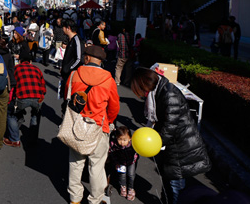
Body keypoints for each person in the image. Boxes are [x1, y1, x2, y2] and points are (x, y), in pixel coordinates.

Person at [131, 67, 211, 204]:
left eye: (139, 89)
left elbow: (170, 127)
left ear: (145, 84)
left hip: (181, 146)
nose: (141, 94)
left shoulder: (169, 94)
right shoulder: (160, 91)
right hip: (174, 145)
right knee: (169, 183)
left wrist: (156, 144)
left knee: (175, 187)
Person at [67, 45, 120, 204]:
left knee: (76, 164)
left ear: (87, 58)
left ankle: (75, 199)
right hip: (99, 127)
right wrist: (108, 121)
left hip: (77, 127)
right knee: (97, 167)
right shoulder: (109, 80)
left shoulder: (74, 75)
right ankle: (95, 200)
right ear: (101, 61)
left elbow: (67, 98)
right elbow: (114, 107)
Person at [4, 50, 46, 147]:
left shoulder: (16, 68)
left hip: (22, 97)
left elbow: (11, 85)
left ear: (20, 61)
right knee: (35, 115)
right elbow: (43, 88)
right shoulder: (37, 69)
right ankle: (33, 140)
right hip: (37, 98)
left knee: (10, 114)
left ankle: (15, 139)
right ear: (30, 61)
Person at [107, 126, 138, 201]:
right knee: (122, 175)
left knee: (131, 175)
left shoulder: (133, 144)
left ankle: (131, 188)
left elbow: (137, 151)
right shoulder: (114, 144)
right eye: (119, 139)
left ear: (130, 138)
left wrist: (135, 158)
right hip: (121, 162)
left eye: (125, 140)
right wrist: (116, 163)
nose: (122, 142)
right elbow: (112, 153)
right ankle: (123, 187)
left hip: (131, 162)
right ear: (116, 137)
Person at [60, 19, 82, 102]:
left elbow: (79, 59)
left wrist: (69, 68)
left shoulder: (77, 40)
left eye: (63, 27)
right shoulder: (70, 40)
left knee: (70, 97)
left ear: (68, 28)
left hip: (72, 74)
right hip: (66, 74)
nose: (62, 29)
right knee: (65, 97)